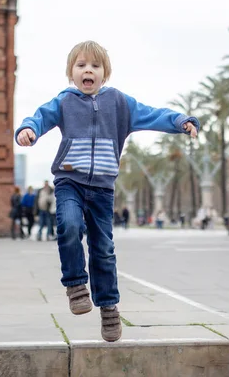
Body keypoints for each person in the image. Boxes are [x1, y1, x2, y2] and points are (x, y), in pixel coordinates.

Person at [14, 40, 199, 342]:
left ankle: (109, 307)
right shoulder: (64, 101)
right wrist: (28, 130)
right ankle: (75, 285)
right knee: (69, 226)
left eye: (95, 66)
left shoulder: (120, 103)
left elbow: (153, 114)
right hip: (69, 182)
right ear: (71, 73)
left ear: (105, 73)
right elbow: (39, 117)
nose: (88, 70)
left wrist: (181, 121)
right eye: (81, 65)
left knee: (103, 250)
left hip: (101, 189)